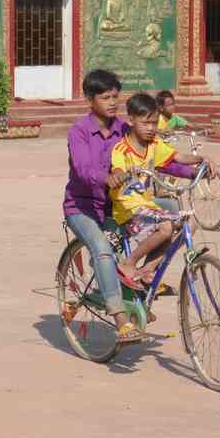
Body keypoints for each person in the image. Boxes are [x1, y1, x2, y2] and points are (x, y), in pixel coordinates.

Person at [62, 70, 143, 344]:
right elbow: (83, 169)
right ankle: (120, 318)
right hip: (82, 207)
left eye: (115, 97)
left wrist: (190, 168)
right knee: (102, 248)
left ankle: (141, 282)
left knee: (168, 219)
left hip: (115, 205)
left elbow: (152, 152)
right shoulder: (80, 131)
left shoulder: (123, 129)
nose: (112, 102)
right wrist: (105, 177)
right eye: (105, 97)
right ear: (89, 99)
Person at [108, 93, 210, 295]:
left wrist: (202, 160)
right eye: (145, 123)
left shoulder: (155, 144)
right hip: (128, 209)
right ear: (131, 120)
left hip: (148, 207)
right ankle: (128, 264)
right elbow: (117, 168)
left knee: (190, 223)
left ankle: (148, 268)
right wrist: (119, 175)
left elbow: (178, 157)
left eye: (154, 123)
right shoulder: (122, 150)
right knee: (166, 228)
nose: (151, 128)